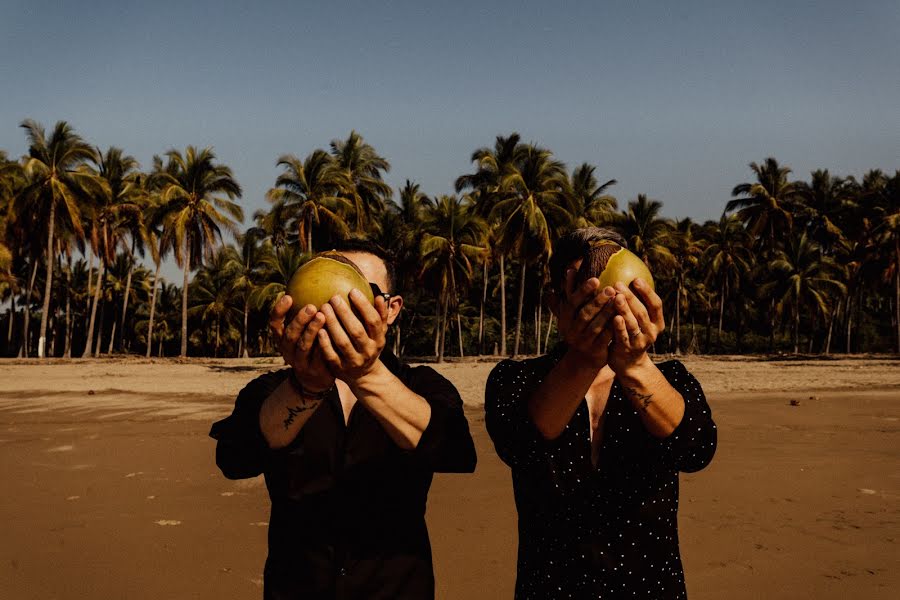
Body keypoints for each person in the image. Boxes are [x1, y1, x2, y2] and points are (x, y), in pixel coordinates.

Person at [211, 239, 477, 600]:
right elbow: (236, 458)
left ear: (391, 308)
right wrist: (306, 386)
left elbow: (455, 450)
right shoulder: (271, 391)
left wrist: (364, 374)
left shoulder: (421, 385)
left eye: (360, 292)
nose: (341, 308)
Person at [485, 227, 717, 599]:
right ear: (556, 304)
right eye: (586, 298)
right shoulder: (517, 380)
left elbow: (696, 449)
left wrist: (635, 365)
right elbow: (520, 443)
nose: (609, 310)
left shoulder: (671, 379)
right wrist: (585, 360)